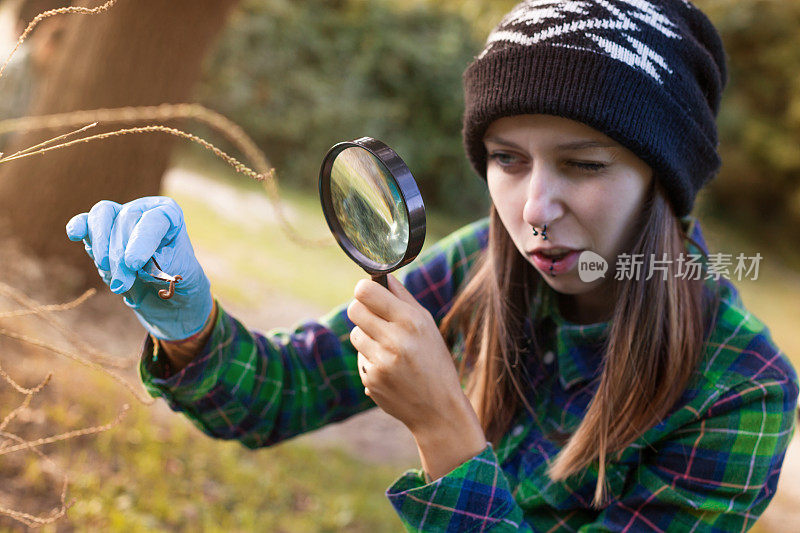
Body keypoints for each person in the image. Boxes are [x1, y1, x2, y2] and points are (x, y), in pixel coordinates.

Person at [65, 0, 798, 530]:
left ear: (663, 181)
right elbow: (281, 395)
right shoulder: (484, 262)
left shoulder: (742, 390)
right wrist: (189, 328)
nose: (534, 208)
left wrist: (447, 434)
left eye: (583, 164)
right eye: (507, 160)